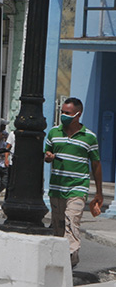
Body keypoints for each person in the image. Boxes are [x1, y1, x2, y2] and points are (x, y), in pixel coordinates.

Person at [44, 97, 103, 268]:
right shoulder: (54, 133)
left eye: (67, 113)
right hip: (56, 188)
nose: (63, 115)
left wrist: (98, 192)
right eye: (62, 112)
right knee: (58, 226)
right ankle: (62, 259)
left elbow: (96, 164)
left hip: (78, 188)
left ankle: (69, 260)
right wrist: (48, 157)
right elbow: (47, 155)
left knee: (72, 221)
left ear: (78, 114)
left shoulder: (89, 137)